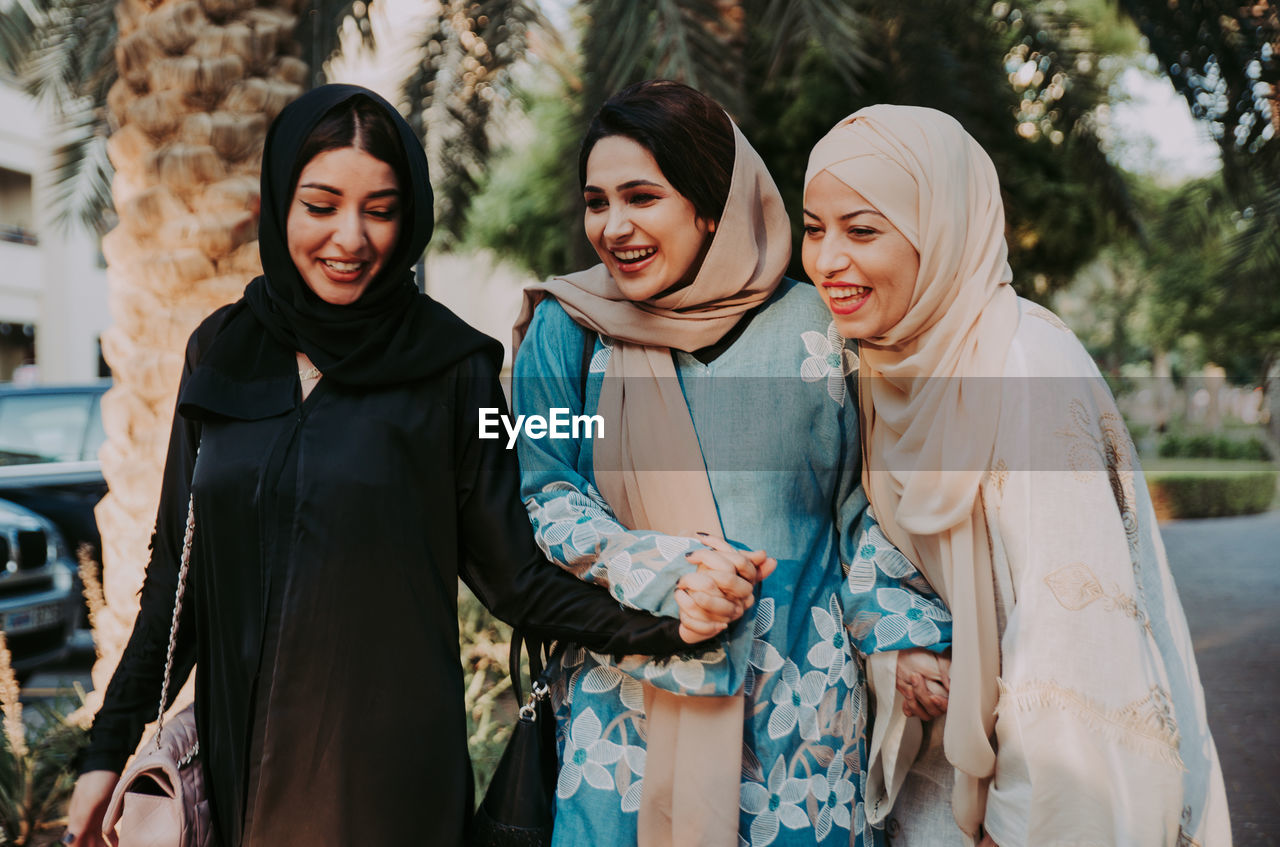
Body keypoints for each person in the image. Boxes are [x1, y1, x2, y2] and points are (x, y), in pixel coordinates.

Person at [63, 84, 719, 847]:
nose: (350, 237)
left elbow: (515, 577)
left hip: (386, 788)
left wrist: (672, 625)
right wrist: (104, 751)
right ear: (279, 203)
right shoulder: (221, 351)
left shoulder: (452, 367)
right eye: (321, 204)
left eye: (380, 209)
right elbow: (178, 576)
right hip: (239, 776)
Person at [511, 79, 954, 847]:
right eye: (597, 201)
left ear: (711, 205)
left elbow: (862, 507)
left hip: (801, 720)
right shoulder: (569, 329)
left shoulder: (821, 328)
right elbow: (549, 492)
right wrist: (662, 567)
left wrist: (901, 632)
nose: (614, 226)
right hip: (629, 716)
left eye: (642, 196)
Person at [801, 104, 1231, 846]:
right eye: (813, 228)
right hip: (938, 788)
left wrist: (1023, 822)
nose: (827, 260)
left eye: (862, 229)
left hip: (1025, 805)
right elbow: (880, 549)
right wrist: (898, 642)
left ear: (939, 229)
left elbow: (1074, 633)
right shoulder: (883, 365)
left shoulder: (1024, 365)